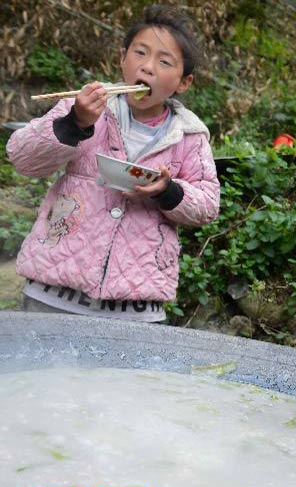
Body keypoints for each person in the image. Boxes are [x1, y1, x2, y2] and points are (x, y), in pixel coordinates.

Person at [7, 4, 219, 321]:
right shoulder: (83, 107)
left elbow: (208, 205)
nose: (147, 67)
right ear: (122, 58)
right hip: (53, 291)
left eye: (164, 62)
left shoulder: (188, 135)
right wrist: (73, 124)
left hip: (134, 306)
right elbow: (22, 158)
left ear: (183, 82)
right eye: (140, 53)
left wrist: (168, 192)